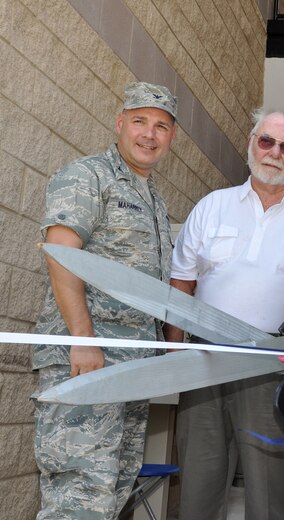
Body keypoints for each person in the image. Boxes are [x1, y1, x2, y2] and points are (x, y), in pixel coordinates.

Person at [165, 109, 284, 520]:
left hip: (277, 365)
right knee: (199, 485)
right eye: (267, 141)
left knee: (272, 494)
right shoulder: (212, 206)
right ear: (251, 144)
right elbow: (181, 284)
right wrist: (174, 356)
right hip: (205, 362)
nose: (275, 153)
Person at [32, 82, 177, 519]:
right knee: (80, 493)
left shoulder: (153, 198)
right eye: (139, 121)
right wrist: (83, 339)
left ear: (171, 136)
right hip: (88, 362)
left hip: (131, 367)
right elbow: (62, 255)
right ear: (119, 124)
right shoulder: (88, 176)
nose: (149, 134)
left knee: (112, 491)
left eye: (161, 126)